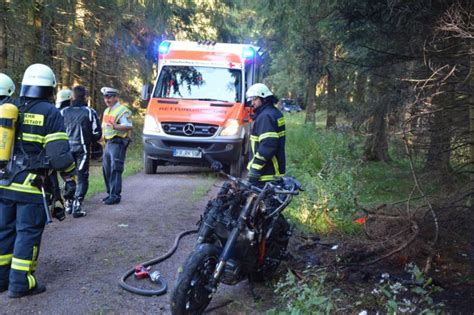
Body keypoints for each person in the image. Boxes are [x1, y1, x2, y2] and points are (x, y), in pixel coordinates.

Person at [0, 64, 76, 298]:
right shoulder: (50, 112)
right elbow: (58, 155)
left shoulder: (9, 107)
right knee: (27, 233)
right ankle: (21, 283)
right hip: (31, 186)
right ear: (50, 88)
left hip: (4, 183)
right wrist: (71, 175)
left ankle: (2, 280)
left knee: (4, 231)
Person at [60, 85, 102, 217]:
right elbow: (97, 133)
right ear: (85, 97)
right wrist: (90, 139)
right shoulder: (90, 112)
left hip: (66, 149)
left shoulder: (63, 112)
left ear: (72, 97)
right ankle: (77, 206)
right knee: (82, 176)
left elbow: (56, 131)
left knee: (68, 176)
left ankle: (68, 203)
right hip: (82, 149)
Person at [245, 83, 286, 185]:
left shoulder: (266, 116)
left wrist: (255, 168)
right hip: (271, 171)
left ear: (263, 98)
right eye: (251, 99)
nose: (252, 103)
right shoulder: (274, 112)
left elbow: (268, 145)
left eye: (254, 99)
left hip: (266, 173)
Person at [100, 87, 132, 205]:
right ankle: (110, 193)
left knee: (115, 169)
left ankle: (115, 195)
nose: (107, 99)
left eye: (109, 97)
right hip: (108, 143)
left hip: (118, 142)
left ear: (116, 97)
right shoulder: (107, 111)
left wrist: (116, 127)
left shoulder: (122, 110)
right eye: (105, 97)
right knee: (106, 168)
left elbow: (128, 126)